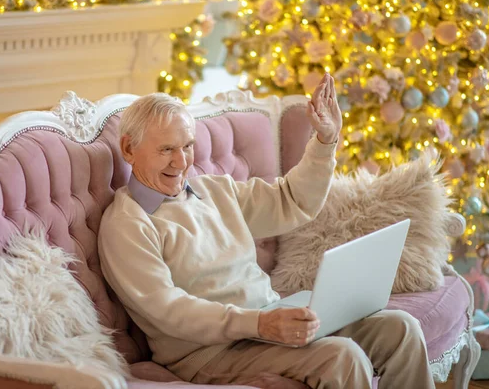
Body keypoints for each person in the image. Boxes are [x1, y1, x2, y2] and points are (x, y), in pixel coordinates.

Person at [98, 73, 435, 389]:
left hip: (267, 322)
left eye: (186, 146)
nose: (181, 162)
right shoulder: (127, 224)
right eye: (165, 150)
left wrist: (325, 140)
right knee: (342, 358)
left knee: (401, 329)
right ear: (129, 149)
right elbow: (168, 309)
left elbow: (291, 201)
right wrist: (259, 324)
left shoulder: (214, 191)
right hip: (207, 352)